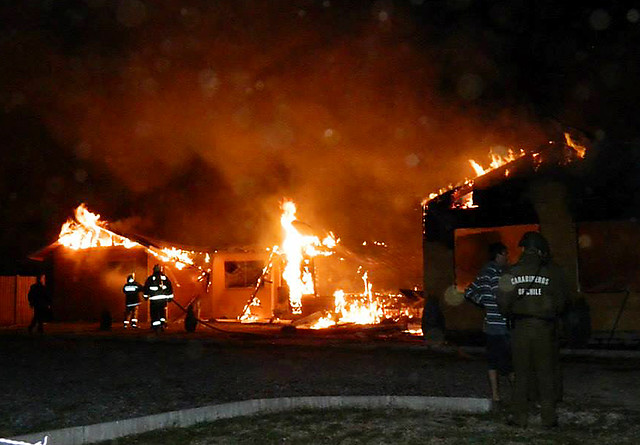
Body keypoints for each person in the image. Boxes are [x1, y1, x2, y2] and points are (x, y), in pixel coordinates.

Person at [497, 231, 569, 428]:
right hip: (545, 329)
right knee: (546, 373)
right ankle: (548, 417)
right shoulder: (553, 272)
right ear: (540, 250)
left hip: (520, 329)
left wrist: (514, 312)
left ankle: (519, 417)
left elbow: (502, 303)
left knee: (521, 374)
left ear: (524, 249)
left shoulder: (511, 272)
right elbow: (562, 302)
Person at [464, 242, 514, 404]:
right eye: (505, 254)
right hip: (502, 324)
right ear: (498, 255)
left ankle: (495, 395)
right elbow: (501, 296)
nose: (507, 257)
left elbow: (469, 291)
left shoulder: (484, 272)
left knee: (492, 361)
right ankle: (520, 395)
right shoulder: (498, 273)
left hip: (490, 324)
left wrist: (484, 303)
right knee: (509, 362)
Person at [143, 264, 174, 331]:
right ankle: (163, 324)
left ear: (154, 270)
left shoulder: (150, 278)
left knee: (154, 313)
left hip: (154, 300)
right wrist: (170, 297)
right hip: (163, 300)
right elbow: (169, 288)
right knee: (162, 312)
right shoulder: (165, 278)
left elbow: (146, 288)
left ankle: (155, 326)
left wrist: (145, 296)